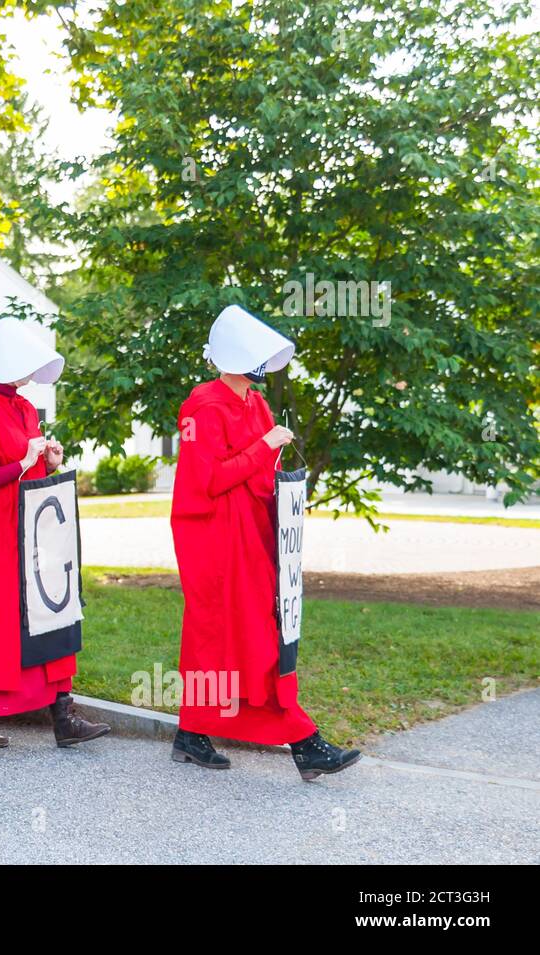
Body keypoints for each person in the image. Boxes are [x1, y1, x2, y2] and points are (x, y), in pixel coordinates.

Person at [170, 305, 361, 780]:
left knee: (233, 636)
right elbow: (209, 480)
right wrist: (264, 447)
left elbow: (259, 470)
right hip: (216, 538)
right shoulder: (203, 406)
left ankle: (192, 731)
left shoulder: (255, 403)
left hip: (253, 532)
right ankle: (303, 740)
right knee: (237, 636)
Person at [0, 318, 110, 749]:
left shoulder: (25, 408)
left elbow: (27, 466)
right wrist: (22, 462)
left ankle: (63, 711)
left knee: (49, 608)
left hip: (31, 528)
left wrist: (47, 461)